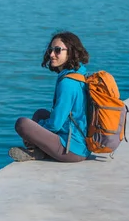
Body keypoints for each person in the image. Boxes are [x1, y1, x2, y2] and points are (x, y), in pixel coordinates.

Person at [9, 31, 91, 162]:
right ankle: (38, 151)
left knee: (23, 124)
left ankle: (36, 151)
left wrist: (33, 132)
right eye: (51, 50)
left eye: (58, 50)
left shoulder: (67, 83)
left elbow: (55, 125)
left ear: (70, 52)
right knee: (40, 113)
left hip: (71, 150)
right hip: (79, 144)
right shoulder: (79, 73)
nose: (52, 54)